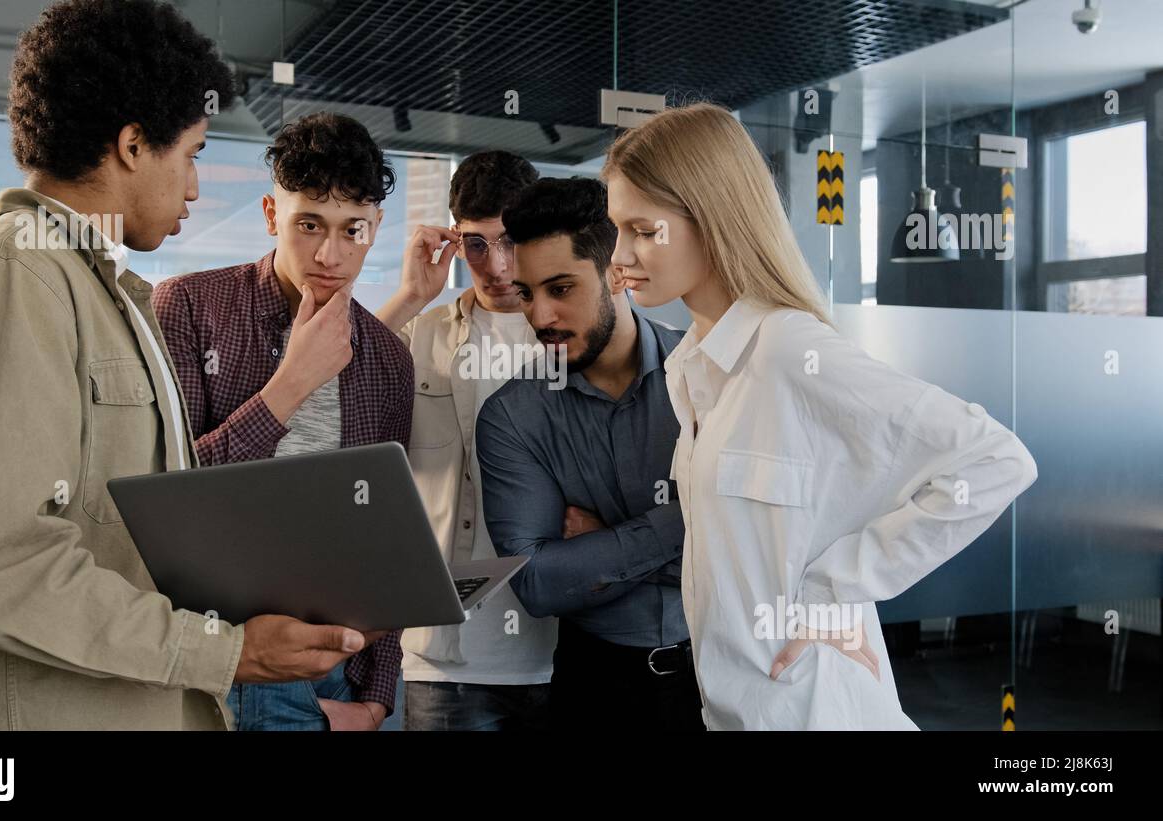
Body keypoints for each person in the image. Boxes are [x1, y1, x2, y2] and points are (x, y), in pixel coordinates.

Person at [0, 0, 370, 731]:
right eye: (191, 154)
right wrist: (225, 652)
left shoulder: (103, 293)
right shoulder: (3, 280)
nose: (194, 187)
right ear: (133, 145)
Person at [602, 102, 1039, 730]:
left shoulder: (786, 349)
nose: (620, 255)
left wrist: (830, 593)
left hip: (815, 711)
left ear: (712, 216)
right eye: (617, 230)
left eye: (643, 230)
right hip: (739, 712)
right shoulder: (691, 367)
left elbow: (995, 461)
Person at [153, 112, 412, 731]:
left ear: (375, 228)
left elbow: (386, 535)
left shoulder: (388, 358)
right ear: (272, 215)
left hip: (333, 676)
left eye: (352, 230)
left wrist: (376, 699)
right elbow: (167, 500)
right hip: (215, 665)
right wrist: (291, 383)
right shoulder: (188, 306)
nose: (330, 255)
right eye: (309, 225)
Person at [476, 177, 704, 731]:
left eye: (560, 288)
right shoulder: (513, 415)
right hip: (594, 684)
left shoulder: (707, 375)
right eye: (527, 294)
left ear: (617, 274)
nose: (541, 317)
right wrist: (696, 518)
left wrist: (607, 541)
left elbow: (771, 547)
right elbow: (537, 582)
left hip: (723, 665)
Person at [375, 151, 558, 731]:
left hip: (558, 644)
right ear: (454, 237)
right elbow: (336, 391)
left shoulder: (572, 335)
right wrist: (410, 295)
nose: (496, 266)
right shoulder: (421, 336)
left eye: (509, 242)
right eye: (476, 245)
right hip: (445, 656)